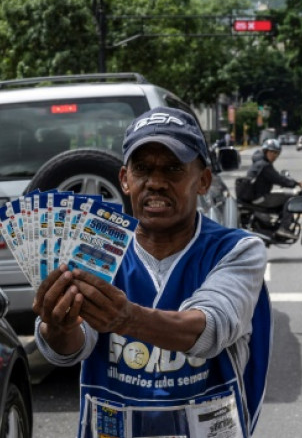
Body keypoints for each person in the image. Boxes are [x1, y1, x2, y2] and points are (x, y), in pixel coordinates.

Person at [33, 107, 271, 438]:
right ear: (124, 180)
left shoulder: (237, 249)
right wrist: (57, 326)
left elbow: (212, 327)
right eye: (142, 169)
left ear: (202, 181)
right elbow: (73, 347)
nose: (155, 183)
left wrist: (126, 319)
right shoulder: (96, 248)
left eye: (173, 169)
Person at [241, 138, 302, 241]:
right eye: (272, 152)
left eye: (277, 153)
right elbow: (279, 179)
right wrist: (297, 183)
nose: (275, 155)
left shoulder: (260, 163)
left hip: (256, 195)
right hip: (260, 198)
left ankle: (274, 225)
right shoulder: (264, 166)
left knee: (281, 196)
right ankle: (284, 228)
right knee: (290, 198)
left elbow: (276, 176)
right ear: (266, 151)